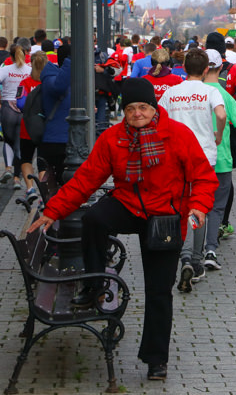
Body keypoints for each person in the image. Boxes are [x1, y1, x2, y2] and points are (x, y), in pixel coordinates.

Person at [28, 78, 217, 381]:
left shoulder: (178, 135)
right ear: (123, 112)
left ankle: (156, 360)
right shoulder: (114, 138)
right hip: (129, 205)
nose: (137, 113)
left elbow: (205, 177)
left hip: (165, 217)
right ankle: (94, 285)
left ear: (154, 109)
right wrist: (52, 211)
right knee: (94, 219)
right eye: (130, 109)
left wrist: (198, 205)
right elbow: (84, 180)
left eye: (143, 107)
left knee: (158, 292)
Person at [159, 49, 226, 289]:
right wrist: (217, 133)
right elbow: (221, 113)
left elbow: (159, 118)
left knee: (181, 206)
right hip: (204, 155)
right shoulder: (211, 91)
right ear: (207, 69)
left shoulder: (172, 92)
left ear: (183, 68)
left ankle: (185, 256)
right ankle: (195, 261)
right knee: (201, 207)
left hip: (176, 156)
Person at [202, 49, 236, 270]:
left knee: (195, 206)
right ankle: (211, 249)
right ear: (220, 69)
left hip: (193, 161)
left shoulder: (188, 93)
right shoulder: (225, 96)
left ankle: (190, 253)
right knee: (217, 208)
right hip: (220, 159)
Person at [37, 43, 72, 185]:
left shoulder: (74, 77)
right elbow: (58, 87)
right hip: (55, 139)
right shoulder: (52, 75)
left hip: (73, 138)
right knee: (55, 184)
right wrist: (71, 61)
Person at [15, 52, 47, 204]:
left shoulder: (25, 82)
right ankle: (44, 192)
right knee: (43, 161)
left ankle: (30, 189)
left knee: (26, 158)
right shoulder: (49, 83)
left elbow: (20, 104)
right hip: (45, 127)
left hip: (27, 126)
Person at [0, 40, 32, 186]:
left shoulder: (5, 70)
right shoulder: (29, 70)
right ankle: (17, 178)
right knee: (20, 144)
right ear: (25, 55)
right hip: (24, 108)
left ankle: (7, 168)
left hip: (7, 108)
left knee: (8, 140)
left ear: (11, 56)